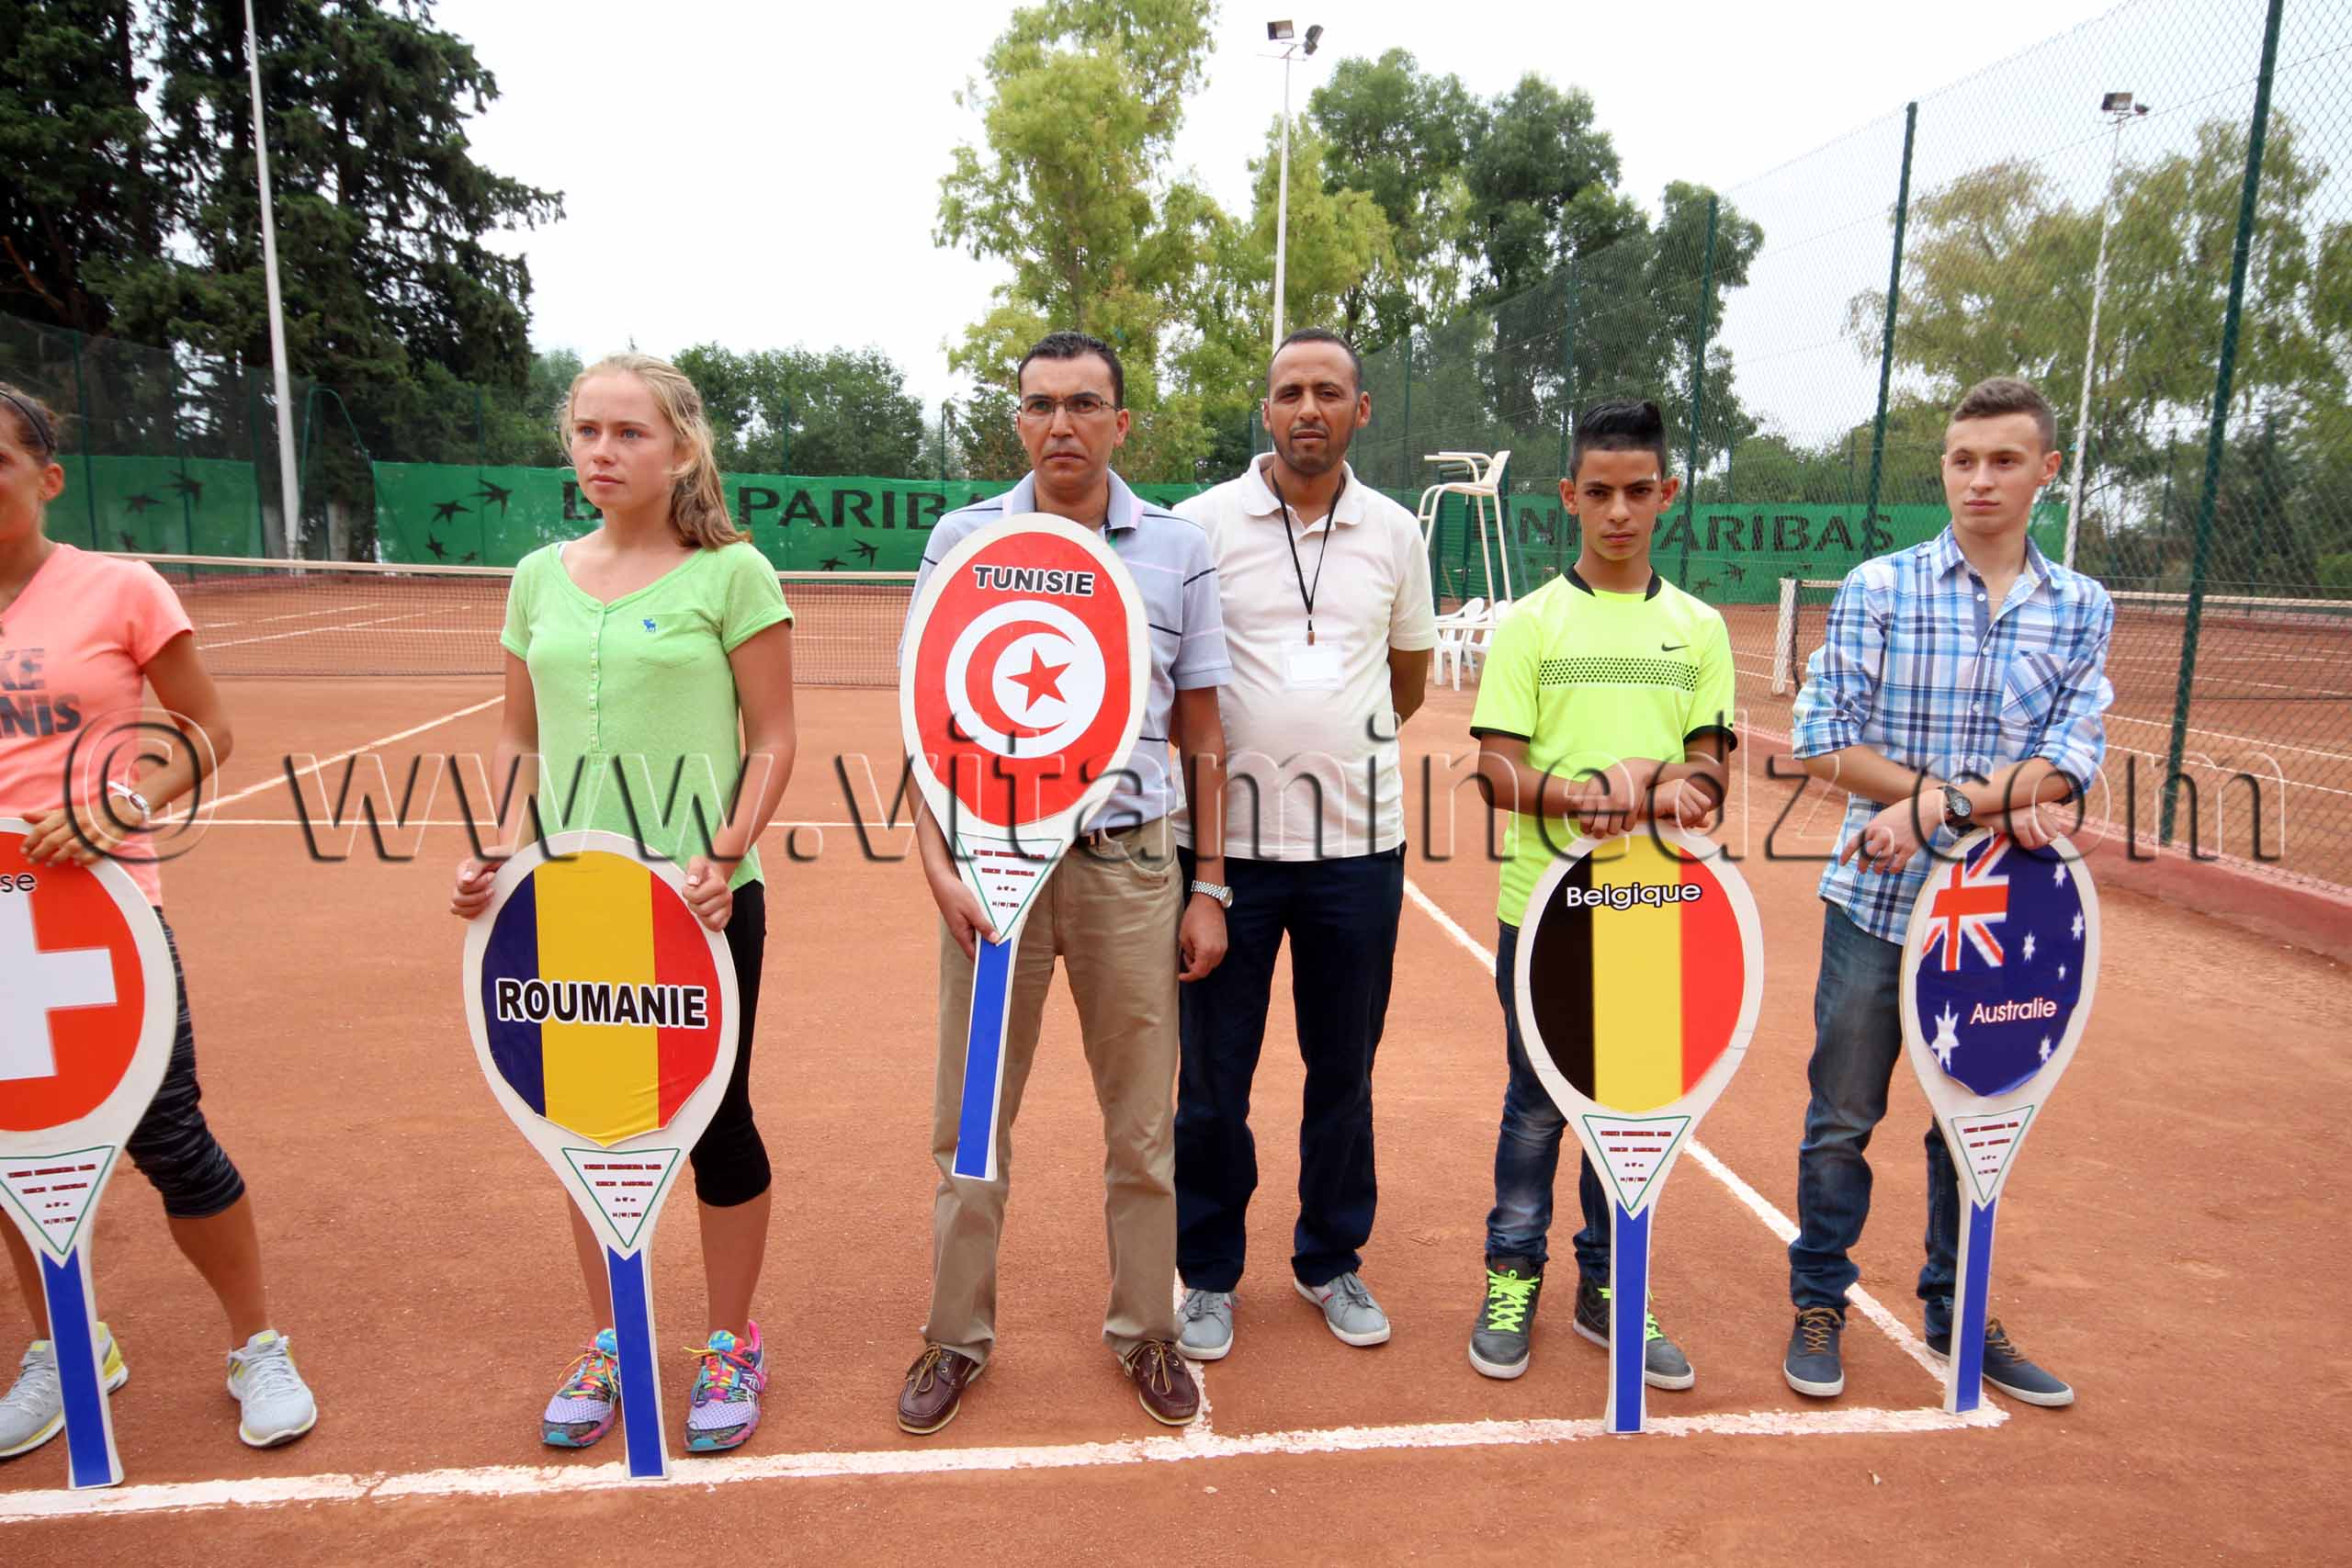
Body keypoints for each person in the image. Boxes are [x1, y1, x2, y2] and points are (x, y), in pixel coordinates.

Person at [450, 355, 797, 1453]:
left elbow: (774, 737)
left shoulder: (734, 575)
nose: (603, 451)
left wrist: (723, 847)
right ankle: (612, 1339)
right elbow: (517, 735)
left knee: (716, 1122)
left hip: (699, 907)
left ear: (681, 448)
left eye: (629, 434)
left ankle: (731, 1341)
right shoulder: (536, 576)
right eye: (588, 431)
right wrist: (500, 852)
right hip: (568, 905)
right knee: (587, 1123)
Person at [895, 330, 1232, 1436]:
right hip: (993, 874)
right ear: (1018, 420)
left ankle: (1147, 1333)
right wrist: (937, 859)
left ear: (1121, 424)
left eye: (1085, 405)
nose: (1061, 426)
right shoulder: (963, 539)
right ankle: (953, 1338)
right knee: (973, 1119)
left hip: (1133, 869)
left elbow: (1202, 727)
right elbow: (925, 715)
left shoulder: (1177, 549)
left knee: (1141, 1125)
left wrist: (1208, 880)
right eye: (1040, 405)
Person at [0, 381, 320, 1455]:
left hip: (105, 916)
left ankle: (257, 1344)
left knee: (169, 1137)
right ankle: (66, 1344)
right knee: (7, 1150)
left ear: (46, 480)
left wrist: (115, 806)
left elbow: (208, 728)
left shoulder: (118, 589)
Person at [1782, 376, 2111, 1408]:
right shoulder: (1880, 587)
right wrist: (1970, 802)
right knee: (1842, 1114)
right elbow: (1823, 743)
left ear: (2046, 473)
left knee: (1972, 1113)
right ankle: (1818, 1299)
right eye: (1962, 461)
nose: (1979, 480)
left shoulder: (2082, 607)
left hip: (2006, 917)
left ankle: (1955, 1305)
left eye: (2004, 461)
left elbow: (2069, 759)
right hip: (1876, 907)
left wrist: (1927, 813)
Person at [1166, 327, 1435, 1360]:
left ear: (1360, 411)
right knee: (1211, 1086)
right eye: (1289, 393)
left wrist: (1335, 739)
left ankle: (1329, 1259)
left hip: (1360, 852)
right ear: (1266, 412)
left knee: (1343, 1072)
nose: (1308, 408)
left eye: (1329, 392)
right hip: (1224, 859)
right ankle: (1209, 1275)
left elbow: (1406, 677)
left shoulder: (1397, 534)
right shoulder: (1200, 527)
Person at [1464, 399, 1735, 1388]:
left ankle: (1610, 1286)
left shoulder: (1698, 630)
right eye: (1599, 493)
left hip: (1655, 911)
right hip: (1541, 910)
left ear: (1666, 496)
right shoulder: (1530, 624)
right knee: (1536, 1104)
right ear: (1570, 498)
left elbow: (1707, 778)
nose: (1618, 512)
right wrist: (1586, 795)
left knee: (1632, 1106)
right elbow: (1494, 772)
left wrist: (1647, 786)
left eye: (1638, 493)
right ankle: (1511, 1278)